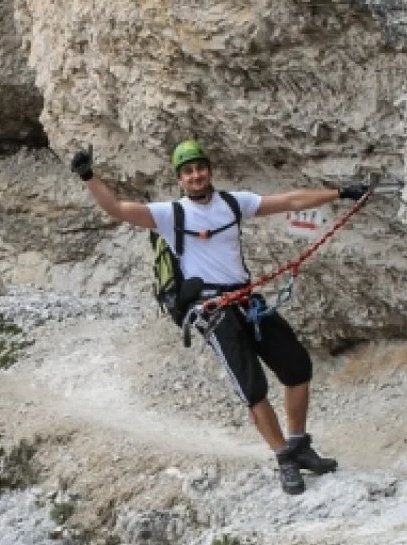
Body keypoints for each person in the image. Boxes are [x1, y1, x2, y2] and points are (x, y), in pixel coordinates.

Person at [71, 140, 366, 495]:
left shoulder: (233, 203)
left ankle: (299, 444)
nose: (196, 175)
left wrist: (340, 193)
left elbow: (289, 201)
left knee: (297, 368)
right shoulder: (170, 215)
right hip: (213, 310)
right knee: (253, 389)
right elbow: (117, 208)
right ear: (180, 179)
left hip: (246, 299)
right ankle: (284, 458)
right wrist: (88, 176)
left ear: (209, 170)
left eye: (200, 168)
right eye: (188, 171)